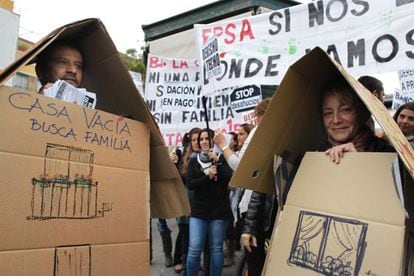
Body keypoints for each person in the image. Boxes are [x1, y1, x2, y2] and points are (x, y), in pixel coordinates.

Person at [213, 98, 273, 276]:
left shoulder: (260, 132)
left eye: (257, 116)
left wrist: (223, 145)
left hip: (256, 211)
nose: (255, 121)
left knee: (256, 263)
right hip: (260, 210)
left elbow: (242, 168)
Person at [186, 128, 233, 276]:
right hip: (199, 211)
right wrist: (208, 177)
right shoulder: (194, 160)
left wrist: (218, 162)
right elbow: (191, 184)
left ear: (213, 140)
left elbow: (229, 180)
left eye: (207, 138)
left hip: (219, 211)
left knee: (216, 249)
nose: (204, 141)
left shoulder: (222, 158)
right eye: (201, 139)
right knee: (194, 250)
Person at [320, 77, 393, 163]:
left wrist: (360, 161)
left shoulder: (387, 153)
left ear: (362, 113)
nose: (336, 120)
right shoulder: (310, 157)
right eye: (328, 113)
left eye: (345, 110)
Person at [171, 127, 201, 274]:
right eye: (193, 140)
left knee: (194, 237)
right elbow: (178, 179)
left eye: (198, 139)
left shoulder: (206, 156)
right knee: (185, 235)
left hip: (199, 203)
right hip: (184, 202)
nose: (196, 142)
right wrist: (174, 164)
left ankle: (191, 262)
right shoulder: (183, 157)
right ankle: (182, 262)